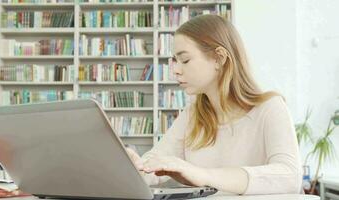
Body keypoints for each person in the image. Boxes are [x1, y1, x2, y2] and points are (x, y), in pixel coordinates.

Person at [126, 14, 302, 195]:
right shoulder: (192, 115)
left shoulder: (270, 107)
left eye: (185, 60)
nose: (176, 71)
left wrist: (203, 175)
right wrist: (134, 166)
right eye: (175, 61)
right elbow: (156, 163)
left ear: (219, 58)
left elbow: (290, 177)